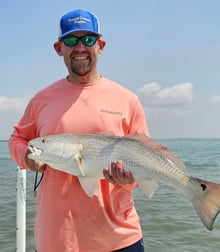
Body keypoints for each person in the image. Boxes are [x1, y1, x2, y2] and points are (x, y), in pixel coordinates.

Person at [9, 9, 149, 252]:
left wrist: (130, 180)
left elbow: (145, 161)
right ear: (59, 48)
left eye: (88, 39)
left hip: (119, 239)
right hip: (57, 241)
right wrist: (27, 157)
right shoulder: (41, 100)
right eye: (72, 40)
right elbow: (17, 139)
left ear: (101, 45)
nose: (80, 47)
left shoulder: (128, 100)